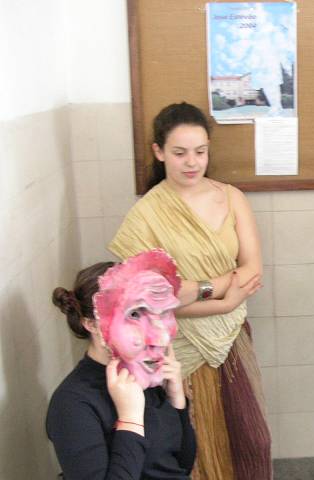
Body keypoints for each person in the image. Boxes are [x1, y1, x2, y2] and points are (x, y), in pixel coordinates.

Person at [109, 102, 270, 480]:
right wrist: (222, 297)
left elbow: (252, 270)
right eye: (180, 153)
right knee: (192, 448)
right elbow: (148, 301)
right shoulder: (146, 215)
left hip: (231, 338)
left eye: (200, 151)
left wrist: (192, 291)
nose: (192, 162)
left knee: (251, 441)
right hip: (174, 348)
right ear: (159, 151)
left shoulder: (231, 197)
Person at [47, 250, 196, 480]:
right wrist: (130, 419)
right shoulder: (72, 403)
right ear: (91, 324)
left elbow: (180, 466)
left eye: (161, 313)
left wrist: (177, 401)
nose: (161, 336)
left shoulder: (144, 374)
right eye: (134, 314)